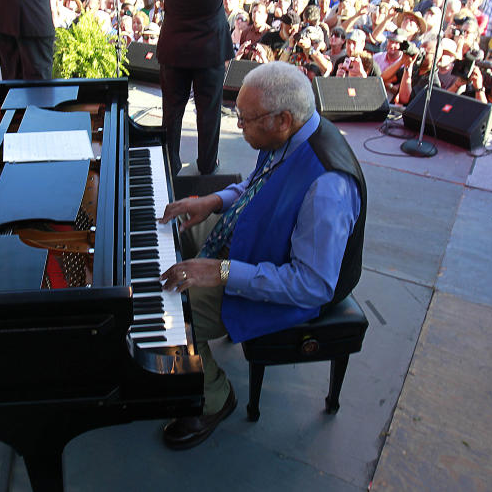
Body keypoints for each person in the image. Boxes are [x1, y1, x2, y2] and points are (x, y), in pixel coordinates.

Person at [156, 62, 366, 449]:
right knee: (173, 225)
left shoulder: (328, 189)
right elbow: (257, 185)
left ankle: (216, 398)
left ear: (283, 119)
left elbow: (312, 286)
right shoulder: (294, 132)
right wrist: (212, 200)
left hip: (287, 282)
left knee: (174, 318)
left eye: (247, 120)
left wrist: (219, 270)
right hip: (259, 238)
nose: (240, 127)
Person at [150, 0, 244, 175]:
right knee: (209, 111)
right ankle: (206, 165)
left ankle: (170, 162)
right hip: (210, 47)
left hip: (175, 46)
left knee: (172, 111)